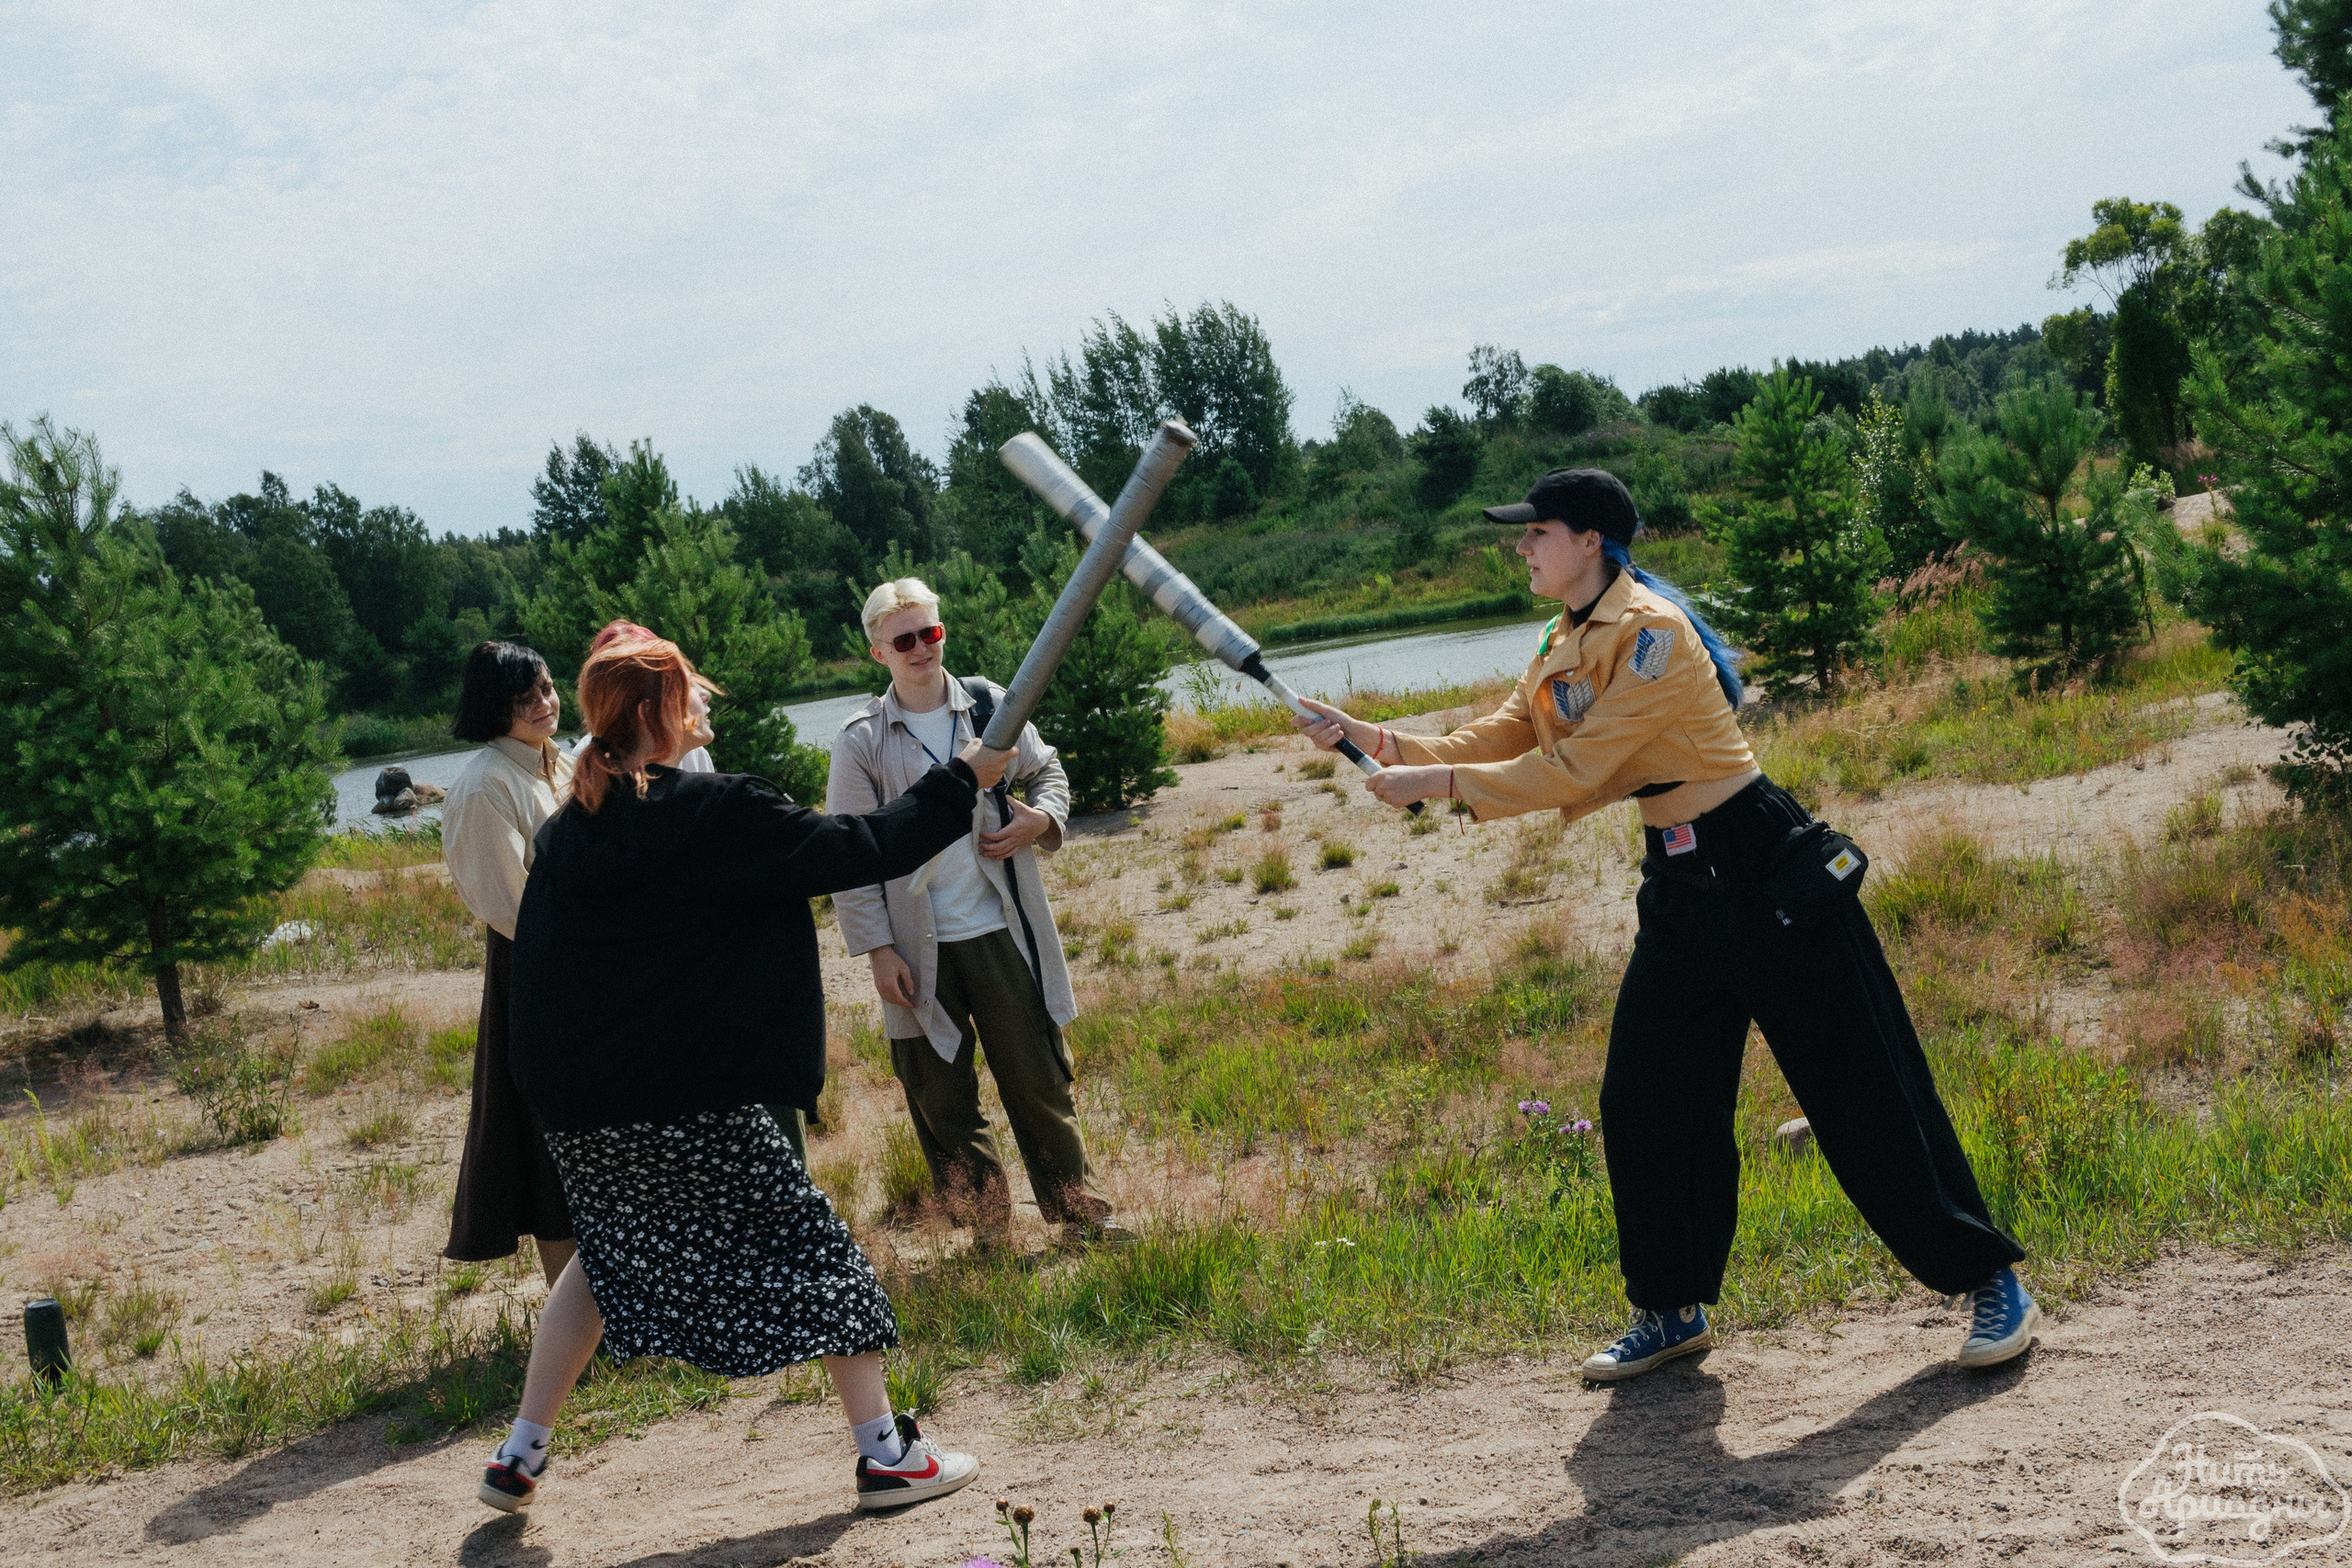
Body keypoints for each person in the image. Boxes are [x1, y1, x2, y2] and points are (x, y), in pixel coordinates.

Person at [1295, 468, 2039, 1380]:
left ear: (1589, 542)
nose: (1520, 545)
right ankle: (1671, 1309)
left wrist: (1436, 784)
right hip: (1681, 885)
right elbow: (1503, 736)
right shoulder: (1565, 635)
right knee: (1647, 1099)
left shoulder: (1652, 633)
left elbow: (1578, 768)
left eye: (1536, 531)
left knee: (1861, 1086)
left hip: (1762, 870)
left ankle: (1991, 1280)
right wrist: (1370, 735)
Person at [483, 634, 1009, 1517]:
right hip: (681, 1097)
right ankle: (887, 1455)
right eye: (692, 688)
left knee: (605, 1253)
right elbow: (863, 845)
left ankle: (519, 1453)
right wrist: (964, 778)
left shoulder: (572, 827)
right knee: (816, 1251)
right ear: (653, 711)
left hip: (577, 1104)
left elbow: (539, 974)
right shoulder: (713, 810)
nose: (707, 701)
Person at [828, 578, 1130, 1248]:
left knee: (1039, 1079)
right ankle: (989, 1233)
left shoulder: (992, 706)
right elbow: (849, 856)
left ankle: (1079, 1218)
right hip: (914, 948)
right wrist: (878, 950)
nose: (921, 649)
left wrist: (1040, 819)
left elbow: (1049, 773)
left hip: (1002, 932)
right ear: (878, 652)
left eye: (930, 632)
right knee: (940, 1097)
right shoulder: (860, 740)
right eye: (903, 640)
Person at [440, 641, 575, 1287]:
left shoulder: (561, 762)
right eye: (526, 698)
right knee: (547, 1144)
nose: (545, 703)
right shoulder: (483, 786)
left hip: (588, 961)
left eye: (547, 687)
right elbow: (509, 905)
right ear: (495, 708)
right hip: (537, 972)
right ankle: (575, 1315)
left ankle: (619, 1309)